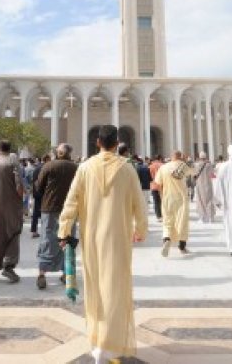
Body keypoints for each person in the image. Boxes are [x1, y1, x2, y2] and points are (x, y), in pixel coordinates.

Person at [58, 125, 147, 363]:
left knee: (95, 287)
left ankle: (98, 343)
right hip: (118, 238)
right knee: (116, 288)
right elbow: (140, 202)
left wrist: (64, 230)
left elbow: (71, 200)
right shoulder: (127, 169)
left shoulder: (85, 168)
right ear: (117, 143)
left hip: (92, 238)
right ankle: (113, 345)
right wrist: (141, 229)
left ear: (97, 142)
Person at [33, 143, 78, 290]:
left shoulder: (48, 166)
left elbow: (39, 187)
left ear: (57, 153)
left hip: (50, 207)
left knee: (47, 239)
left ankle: (42, 274)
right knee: (68, 239)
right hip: (70, 209)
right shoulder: (76, 168)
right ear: (69, 154)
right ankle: (67, 274)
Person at [0, 140, 24, 283]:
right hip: (9, 204)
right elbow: (19, 186)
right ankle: (8, 265)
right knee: (13, 232)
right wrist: (21, 199)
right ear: (9, 149)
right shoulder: (12, 163)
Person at [154, 151, 193, 256]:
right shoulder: (183, 166)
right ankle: (182, 246)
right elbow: (193, 172)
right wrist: (187, 160)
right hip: (181, 199)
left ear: (171, 157)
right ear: (180, 157)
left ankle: (166, 239)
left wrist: (161, 195)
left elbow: (157, 183)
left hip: (167, 198)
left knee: (168, 221)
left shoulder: (163, 167)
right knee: (182, 222)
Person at [192, 152, 216, 223]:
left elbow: (194, 175)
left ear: (199, 157)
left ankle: (202, 217)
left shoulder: (196, 165)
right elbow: (212, 174)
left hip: (199, 184)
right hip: (208, 184)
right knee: (209, 200)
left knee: (200, 200)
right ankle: (211, 217)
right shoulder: (209, 165)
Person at [149, 156, 163, 221]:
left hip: (154, 185)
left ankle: (158, 216)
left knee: (156, 202)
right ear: (160, 159)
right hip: (162, 186)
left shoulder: (150, 166)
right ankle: (163, 214)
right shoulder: (163, 165)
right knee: (163, 201)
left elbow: (149, 177)